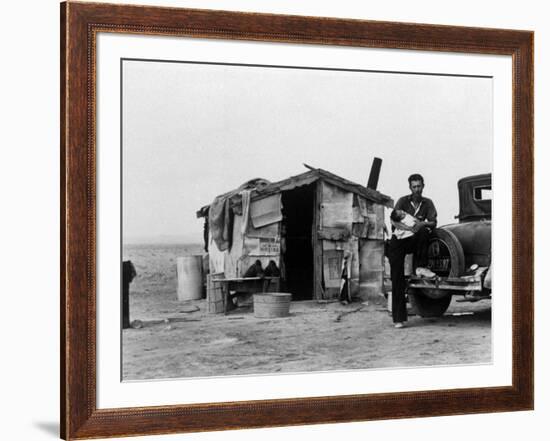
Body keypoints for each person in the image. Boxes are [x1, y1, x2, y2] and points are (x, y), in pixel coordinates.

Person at [388, 174, 437, 328]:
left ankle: (421, 266)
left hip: (415, 241)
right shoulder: (402, 201)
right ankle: (398, 319)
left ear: (423, 186)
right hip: (398, 242)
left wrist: (420, 224)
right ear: (410, 187)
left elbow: (433, 223)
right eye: (414, 186)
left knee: (424, 230)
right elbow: (393, 221)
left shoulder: (428, 203)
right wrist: (409, 227)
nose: (417, 189)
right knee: (397, 278)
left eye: (419, 186)